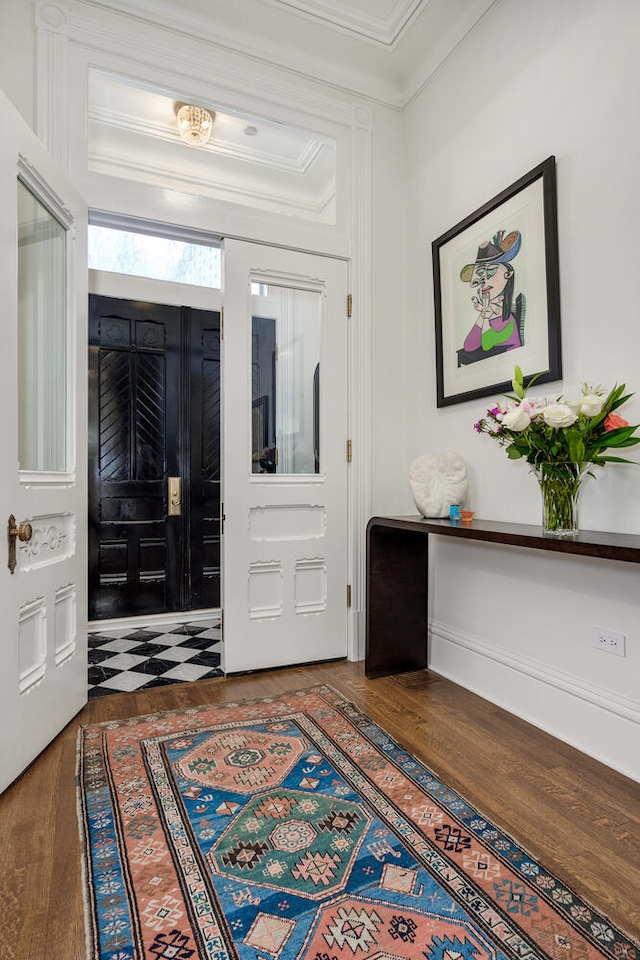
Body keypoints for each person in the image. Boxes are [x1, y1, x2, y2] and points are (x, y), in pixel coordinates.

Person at [457, 229, 525, 366]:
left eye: (492, 271)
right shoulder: (489, 312)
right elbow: (469, 345)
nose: (484, 280)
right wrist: (483, 315)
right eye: (481, 273)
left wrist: (485, 316)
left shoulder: (508, 319)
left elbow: (488, 344)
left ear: (508, 274)